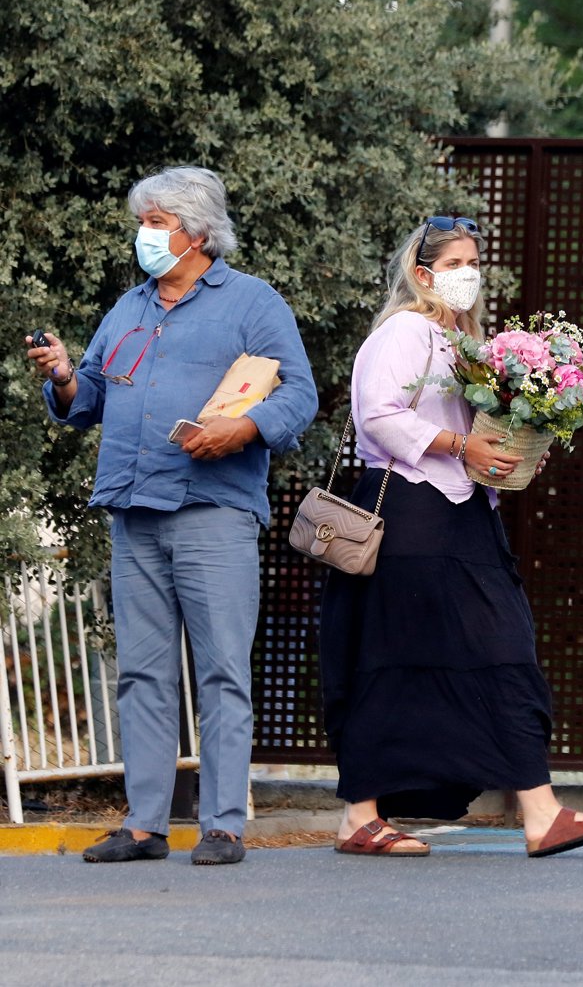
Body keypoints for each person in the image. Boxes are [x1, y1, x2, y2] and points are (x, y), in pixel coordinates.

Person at [26, 166, 318, 865]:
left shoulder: (251, 302)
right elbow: (88, 396)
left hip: (212, 507)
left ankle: (222, 823)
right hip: (134, 510)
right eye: (145, 221)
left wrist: (242, 431)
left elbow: (299, 394)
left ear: (198, 233)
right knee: (142, 673)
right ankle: (146, 823)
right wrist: (65, 375)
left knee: (221, 668)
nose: (146, 235)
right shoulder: (127, 308)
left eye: (157, 222)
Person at [319, 215, 583, 857]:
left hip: (462, 514)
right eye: (454, 263)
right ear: (421, 273)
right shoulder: (403, 331)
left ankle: (538, 813)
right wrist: (462, 444)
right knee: (394, 656)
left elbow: (478, 431)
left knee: (499, 647)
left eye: (472, 262)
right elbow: (376, 415)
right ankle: (362, 816)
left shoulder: (463, 338)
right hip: (410, 514)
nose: (467, 274)